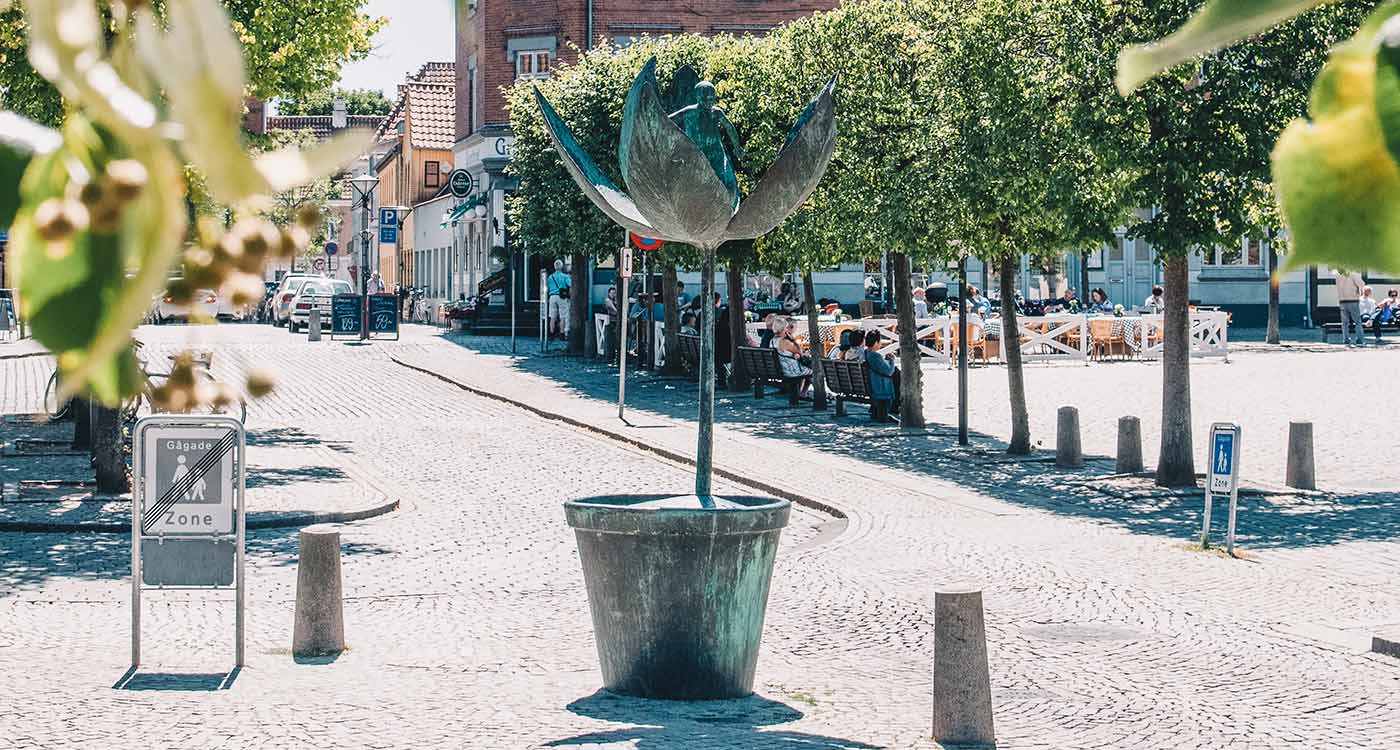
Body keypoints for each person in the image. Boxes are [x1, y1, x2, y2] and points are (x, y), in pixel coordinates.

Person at [862, 329, 897, 423]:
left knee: (897, 374)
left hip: (868, 384)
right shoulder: (875, 356)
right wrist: (892, 360)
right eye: (880, 341)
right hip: (877, 386)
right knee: (897, 375)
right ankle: (893, 409)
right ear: (876, 342)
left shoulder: (865, 353)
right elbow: (889, 372)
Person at [773, 318, 813, 395]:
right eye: (786, 327)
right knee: (814, 371)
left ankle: (800, 393)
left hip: (781, 369)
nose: (787, 329)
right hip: (790, 371)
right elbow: (800, 352)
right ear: (783, 329)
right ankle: (802, 394)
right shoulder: (785, 342)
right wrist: (793, 340)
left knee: (807, 368)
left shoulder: (773, 340)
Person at [1335, 268, 1365, 347]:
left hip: (1342, 300)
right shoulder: (1353, 274)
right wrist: (1359, 291)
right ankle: (1360, 339)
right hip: (1353, 300)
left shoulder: (1337, 275)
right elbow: (1362, 284)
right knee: (1357, 322)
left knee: (1345, 323)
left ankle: (1345, 339)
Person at [546, 259, 571, 340]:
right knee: (563, 316)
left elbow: (547, 287)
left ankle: (551, 334)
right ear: (561, 266)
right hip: (562, 297)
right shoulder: (565, 276)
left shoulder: (550, 277)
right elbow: (571, 285)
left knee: (552, 316)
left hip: (552, 297)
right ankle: (562, 334)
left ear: (554, 267)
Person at [604, 286, 620, 363]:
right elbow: (614, 309)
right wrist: (618, 312)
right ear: (609, 293)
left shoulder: (616, 300)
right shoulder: (608, 300)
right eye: (612, 293)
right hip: (611, 321)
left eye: (615, 293)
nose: (613, 295)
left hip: (617, 320)